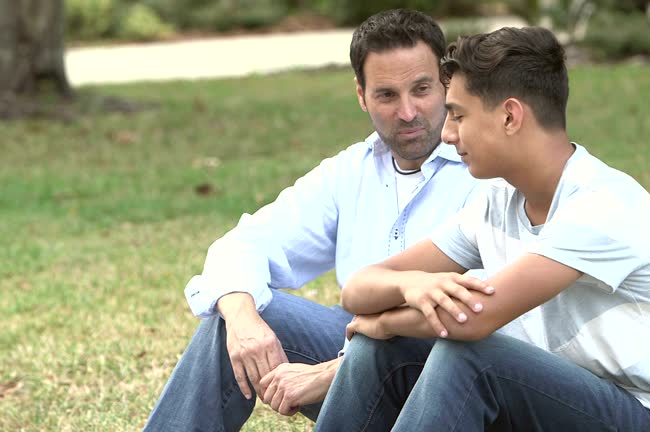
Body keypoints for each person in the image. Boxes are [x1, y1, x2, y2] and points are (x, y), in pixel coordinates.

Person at [144, 10, 544, 432]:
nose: (408, 112)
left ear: (446, 83)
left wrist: (331, 373)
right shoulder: (350, 171)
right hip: (358, 351)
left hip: (452, 375)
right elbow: (243, 245)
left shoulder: (488, 170)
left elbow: (495, 324)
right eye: (387, 95)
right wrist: (242, 319)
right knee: (232, 312)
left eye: (422, 90)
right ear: (361, 94)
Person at [314, 26, 650, 432]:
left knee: (470, 357)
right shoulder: (496, 201)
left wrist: (386, 321)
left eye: (458, 114)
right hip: (556, 402)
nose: (447, 133)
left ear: (510, 116)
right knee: (377, 348)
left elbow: (473, 321)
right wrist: (410, 287)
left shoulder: (602, 204)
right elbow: (359, 288)